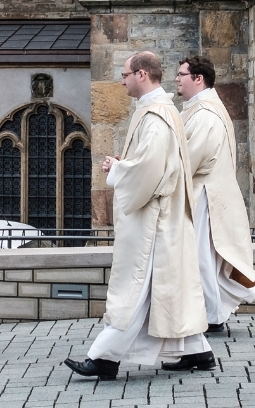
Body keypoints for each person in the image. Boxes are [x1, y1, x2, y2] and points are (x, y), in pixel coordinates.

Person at [64, 52, 213, 380]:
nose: (121, 80)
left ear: (142, 74)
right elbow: (152, 162)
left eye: (126, 74)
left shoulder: (156, 116)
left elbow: (150, 170)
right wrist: (124, 163)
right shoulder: (157, 111)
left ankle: (104, 358)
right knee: (163, 288)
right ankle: (198, 350)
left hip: (154, 223)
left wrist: (118, 169)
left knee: (135, 290)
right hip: (162, 219)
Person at [175, 57, 255, 335]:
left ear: (198, 78)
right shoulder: (200, 109)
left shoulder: (206, 115)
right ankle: (209, 313)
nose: (177, 79)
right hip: (205, 195)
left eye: (181, 74)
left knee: (200, 257)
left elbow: (190, 158)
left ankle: (211, 316)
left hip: (205, 198)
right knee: (202, 258)